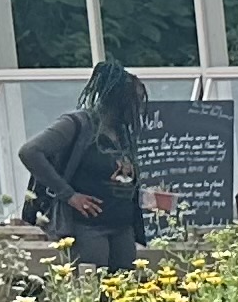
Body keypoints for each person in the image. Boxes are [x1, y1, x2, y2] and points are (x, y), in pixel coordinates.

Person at [22, 58, 150, 273]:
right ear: (117, 101)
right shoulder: (78, 124)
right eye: (134, 101)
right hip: (87, 228)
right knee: (92, 287)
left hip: (121, 225)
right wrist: (69, 195)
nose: (138, 108)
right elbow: (30, 152)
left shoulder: (122, 133)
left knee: (125, 290)